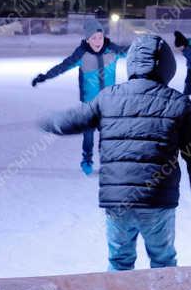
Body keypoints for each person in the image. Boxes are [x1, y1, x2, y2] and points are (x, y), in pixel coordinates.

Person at [39, 35, 191, 271]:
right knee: (163, 263)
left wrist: (51, 122)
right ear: (168, 67)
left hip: (118, 200)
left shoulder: (108, 97)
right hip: (157, 200)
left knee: (119, 263)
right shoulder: (177, 102)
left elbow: (75, 119)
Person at [31, 18, 129, 175]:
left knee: (107, 136)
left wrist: (150, 46)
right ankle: (87, 161)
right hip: (89, 105)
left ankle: (106, 163)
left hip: (108, 103)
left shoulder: (112, 50)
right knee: (88, 137)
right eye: (93, 38)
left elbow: (131, 51)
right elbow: (63, 66)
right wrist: (45, 76)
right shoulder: (81, 54)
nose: (97, 41)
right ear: (87, 39)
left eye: (100, 37)